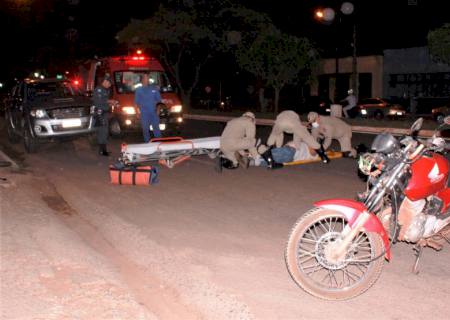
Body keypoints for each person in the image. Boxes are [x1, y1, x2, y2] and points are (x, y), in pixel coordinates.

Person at [134, 74, 162, 143]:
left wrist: (158, 110)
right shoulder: (138, 90)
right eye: (146, 78)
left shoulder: (154, 89)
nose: (147, 80)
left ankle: (159, 144)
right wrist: (137, 113)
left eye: (148, 78)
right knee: (145, 130)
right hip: (144, 114)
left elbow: (159, 101)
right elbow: (136, 103)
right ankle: (148, 144)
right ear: (142, 80)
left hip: (154, 113)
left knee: (156, 129)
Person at [254, 141, 319, 167]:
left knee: (275, 156)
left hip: (291, 155)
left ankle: (258, 156)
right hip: (290, 151)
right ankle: (256, 159)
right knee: (276, 157)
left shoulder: (313, 156)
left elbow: (314, 154)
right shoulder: (305, 143)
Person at [92, 76, 112, 156]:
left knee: (104, 132)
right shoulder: (99, 89)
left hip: (104, 113)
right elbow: (99, 101)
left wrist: (111, 103)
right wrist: (110, 101)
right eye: (109, 83)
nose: (109, 85)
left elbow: (104, 101)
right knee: (102, 132)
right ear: (105, 81)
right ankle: (102, 151)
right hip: (100, 114)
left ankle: (103, 150)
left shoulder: (105, 90)